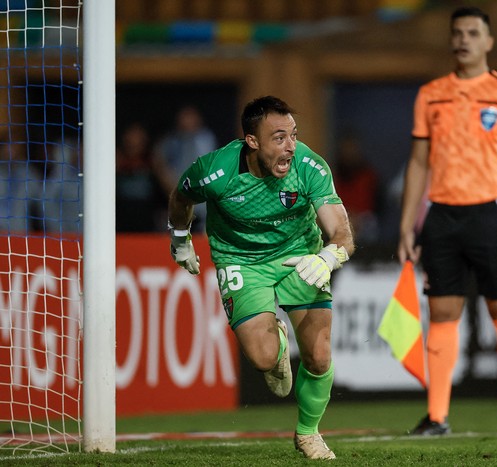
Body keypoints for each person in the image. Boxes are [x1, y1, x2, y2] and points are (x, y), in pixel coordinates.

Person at [167, 96, 354, 460]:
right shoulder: (215, 170)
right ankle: (278, 343)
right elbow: (180, 196)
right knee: (264, 359)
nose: (291, 148)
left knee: (318, 355)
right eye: (279, 138)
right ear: (252, 141)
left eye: (294, 136)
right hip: (240, 260)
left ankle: (308, 433)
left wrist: (329, 256)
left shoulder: (309, 166)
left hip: (298, 257)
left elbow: (342, 231)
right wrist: (180, 238)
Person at [397, 6, 497, 436]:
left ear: (489, 41)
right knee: (442, 312)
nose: (464, 40)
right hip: (441, 215)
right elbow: (418, 164)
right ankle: (437, 416)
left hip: (490, 213)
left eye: (473, 33)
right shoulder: (430, 94)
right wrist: (409, 224)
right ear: (450, 39)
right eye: (457, 33)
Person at [156, 105, 217, 232]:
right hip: (177, 194)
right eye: (185, 117)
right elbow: (160, 165)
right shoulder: (170, 141)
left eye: (191, 117)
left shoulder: (207, 138)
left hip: (203, 197)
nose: (188, 121)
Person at [116, 123, 170, 232]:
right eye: (131, 138)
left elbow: (171, 191)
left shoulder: (153, 163)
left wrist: (159, 168)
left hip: (147, 225)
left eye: (138, 139)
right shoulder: (117, 162)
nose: (134, 142)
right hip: (119, 225)